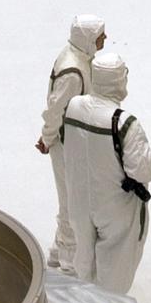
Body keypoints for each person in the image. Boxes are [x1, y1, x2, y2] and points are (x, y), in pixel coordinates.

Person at [62, 50, 151, 295]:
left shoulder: (73, 106)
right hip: (115, 207)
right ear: (118, 81)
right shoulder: (125, 123)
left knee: (84, 258)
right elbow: (143, 170)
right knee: (116, 265)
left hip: (80, 201)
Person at [36, 14, 106, 273]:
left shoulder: (78, 58)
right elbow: (56, 109)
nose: (105, 39)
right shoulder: (73, 72)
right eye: (101, 35)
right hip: (67, 146)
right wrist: (47, 137)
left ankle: (58, 252)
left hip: (69, 142)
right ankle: (68, 266)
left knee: (70, 198)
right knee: (72, 203)